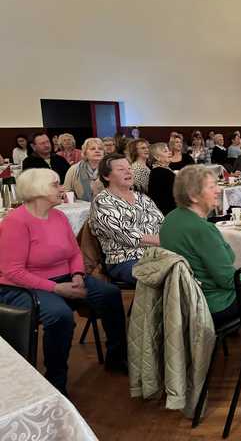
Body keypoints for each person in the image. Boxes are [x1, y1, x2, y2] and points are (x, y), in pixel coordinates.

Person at [0, 168, 127, 394]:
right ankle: (56, 380)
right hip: (24, 286)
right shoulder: (16, 222)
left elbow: (74, 253)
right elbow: (12, 272)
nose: (62, 189)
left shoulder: (58, 216)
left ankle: (116, 356)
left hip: (66, 277)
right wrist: (58, 288)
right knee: (60, 316)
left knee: (109, 294)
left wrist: (78, 276)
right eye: (56, 185)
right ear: (37, 190)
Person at [159, 165, 239, 325]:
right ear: (194, 196)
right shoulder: (202, 229)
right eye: (211, 187)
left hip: (181, 300)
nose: (218, 190)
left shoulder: (170, 218)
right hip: (211, 303)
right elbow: (228, 280)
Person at [90, 154, 164, 286]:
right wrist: (166, 239)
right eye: (121, 169)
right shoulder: (103, 201)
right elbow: (129, 237)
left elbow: (162, 223)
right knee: (167, 277)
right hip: (124, 260)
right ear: (107, 176)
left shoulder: (142, 198)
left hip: (156, 254)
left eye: (129, 168)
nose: (128, 171)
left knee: (192, 267)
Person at [147, 142, 178, 215]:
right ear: (157, 157)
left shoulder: (159, 170)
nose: (169, 153)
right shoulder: (161, 173)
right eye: (165, 151)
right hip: (168, 214)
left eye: (168, 150)